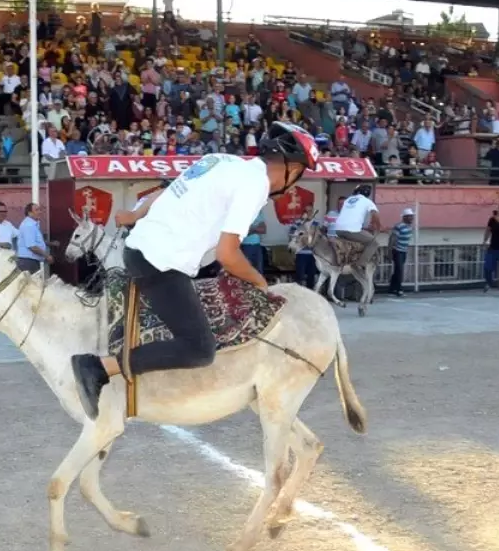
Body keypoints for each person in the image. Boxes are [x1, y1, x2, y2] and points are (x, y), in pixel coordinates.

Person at [68, 121, 321, 420]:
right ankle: (98, 367)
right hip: (159, 263)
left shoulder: (221, 160)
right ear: (291, 168)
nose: (296, 181)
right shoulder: (255, 185)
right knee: (200, 349)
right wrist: (259, 280)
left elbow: (164, 193)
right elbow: (228, 253)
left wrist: (135, 214)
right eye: (300, 174)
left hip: (141, 249)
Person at [330, 184, 383, 270]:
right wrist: (379, 227)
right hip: (352, 231)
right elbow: (375, 214)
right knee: (374, 242)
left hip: (338, 230)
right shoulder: (367, 201)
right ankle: (361, 263)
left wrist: (372, 223)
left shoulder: (348, 200)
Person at [15, 202, 52, 274]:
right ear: (29, 213)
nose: (40, 212)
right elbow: (32, 246)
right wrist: (47, 256)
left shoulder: (32, 224)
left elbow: (36, 242)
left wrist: (51, 243)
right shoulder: (29, 225)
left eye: (40, 210)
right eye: (37, 210)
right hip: (28, 262)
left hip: (30, 261)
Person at [388, 209, 413, 297]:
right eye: (409, 216)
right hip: (397, 250)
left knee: (397, 270)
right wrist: (390, 251)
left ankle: (392, 288)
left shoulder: (410, 226)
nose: (411, 218)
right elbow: (392, 238)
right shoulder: (399, 226)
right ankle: (399, 289)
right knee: (399, 270)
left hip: (404, 250)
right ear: (404, 217)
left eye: (412, 216)